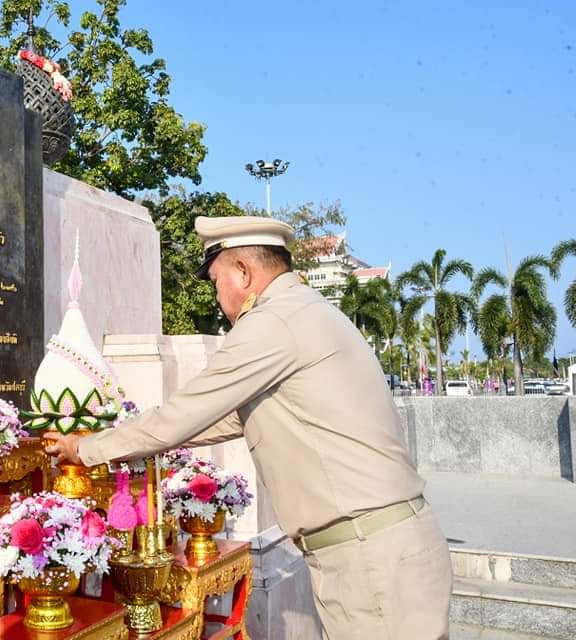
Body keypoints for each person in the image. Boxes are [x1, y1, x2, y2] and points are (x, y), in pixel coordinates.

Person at [43, 216, 452, 639]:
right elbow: (225, 417)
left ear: (243, 272)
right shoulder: (303, 311)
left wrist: (87, 448)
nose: (217, 295)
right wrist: (118, 439)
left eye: (216, 281)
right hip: (377, 551)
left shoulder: (272, 322)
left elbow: (185, 413)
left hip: (371, 562)